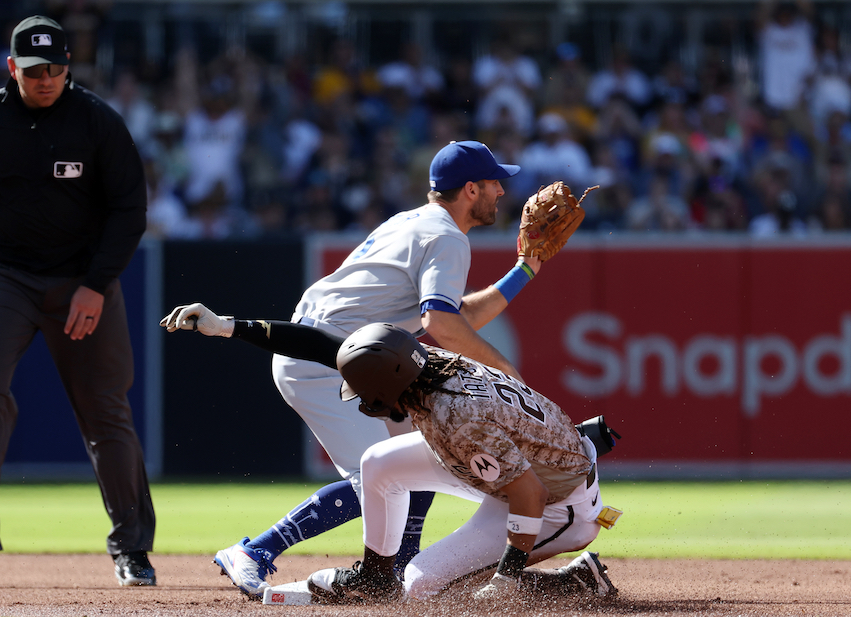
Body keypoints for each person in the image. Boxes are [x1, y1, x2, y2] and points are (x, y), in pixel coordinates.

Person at [201, 140, 548, 598]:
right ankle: (256, 551)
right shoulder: (445, 237)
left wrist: (524, 270)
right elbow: (440, 324)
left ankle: (398, 569)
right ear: (470, 189)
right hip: (326, 360)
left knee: (421, 456)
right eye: (493, 183)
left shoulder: (416, 222)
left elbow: (450, 315)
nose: (501, 192)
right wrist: (505, 371)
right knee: (380, 477)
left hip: (350, 356)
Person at [159, 308, 621, 603]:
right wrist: (229, 327)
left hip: (556, 504)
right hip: (513, 466)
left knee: (421, 586)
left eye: (363, 392)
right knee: (378, 463)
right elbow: (320, 344)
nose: (360, 400)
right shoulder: (420, 363)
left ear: (386, 387)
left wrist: (506, 576)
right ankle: (375, 576)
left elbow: (528, 493)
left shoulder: (454, 416)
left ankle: (570, 582)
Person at [0, 16, 155, 586]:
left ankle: (132, 549)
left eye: (57, 69)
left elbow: (129, 210)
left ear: (69, 67)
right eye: (35, 70)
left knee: (105, 412)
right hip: (8, 277)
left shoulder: (96, 122)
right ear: (12, 68)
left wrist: (96, 284)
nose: (47, 79)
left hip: (81, 280)